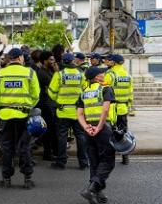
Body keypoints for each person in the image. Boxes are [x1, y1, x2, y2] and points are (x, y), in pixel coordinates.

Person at [0, 48, 40, 189]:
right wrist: (27, 106)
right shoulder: (30, 73)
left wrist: (2, 108)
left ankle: (6, 179)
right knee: (24, 146)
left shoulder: (0, 74)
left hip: (5, 116)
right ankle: (27, 179)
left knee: (7, 148)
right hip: (23, 115)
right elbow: (36, 95)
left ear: (9, 59)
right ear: (19, 58)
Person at [77, 67, 116, 204]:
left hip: (89, 130)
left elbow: (79, 114)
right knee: (108, 161)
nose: (104, 74)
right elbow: (105, 110)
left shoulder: (84, 92)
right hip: (102, 128)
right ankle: (91, 189)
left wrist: (86, 127)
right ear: (96, 77)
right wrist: (99, 127)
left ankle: (97, 194)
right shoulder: (105, 89)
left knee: (94, 161)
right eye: (101, 73)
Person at [49, 53, 88, 170]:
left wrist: (59, 100)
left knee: (62, 137)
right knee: (80, 136)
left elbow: (51, 91)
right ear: (73, 62)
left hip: (63, 110)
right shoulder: (81, 74)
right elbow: (86, 90)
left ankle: (61, 162)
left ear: (63, 62)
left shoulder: (59, 75)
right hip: (77, 111)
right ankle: (83, 162)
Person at [104, 54, 133, 165]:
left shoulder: (110, 74)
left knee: (109, 133)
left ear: (114, 62)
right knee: (123, 132)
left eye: (111, 61)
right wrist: (130, 107)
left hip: (112, 109)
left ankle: (110, 158)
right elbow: (130, 93)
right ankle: (125, 157)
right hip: (123, 108)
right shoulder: (127, 75)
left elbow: (104, 90)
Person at [36, 51, 59, 161]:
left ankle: (54, 151)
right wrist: (57, 73)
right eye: (50, 60)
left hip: (51, 103)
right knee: (48, 130)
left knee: (53, 129)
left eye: (53, 59)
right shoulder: (42, 73)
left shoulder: (48, 71)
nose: (53, 62)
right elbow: (55, 85)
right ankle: (48, 153)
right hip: (46, 104)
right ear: (44, 61)